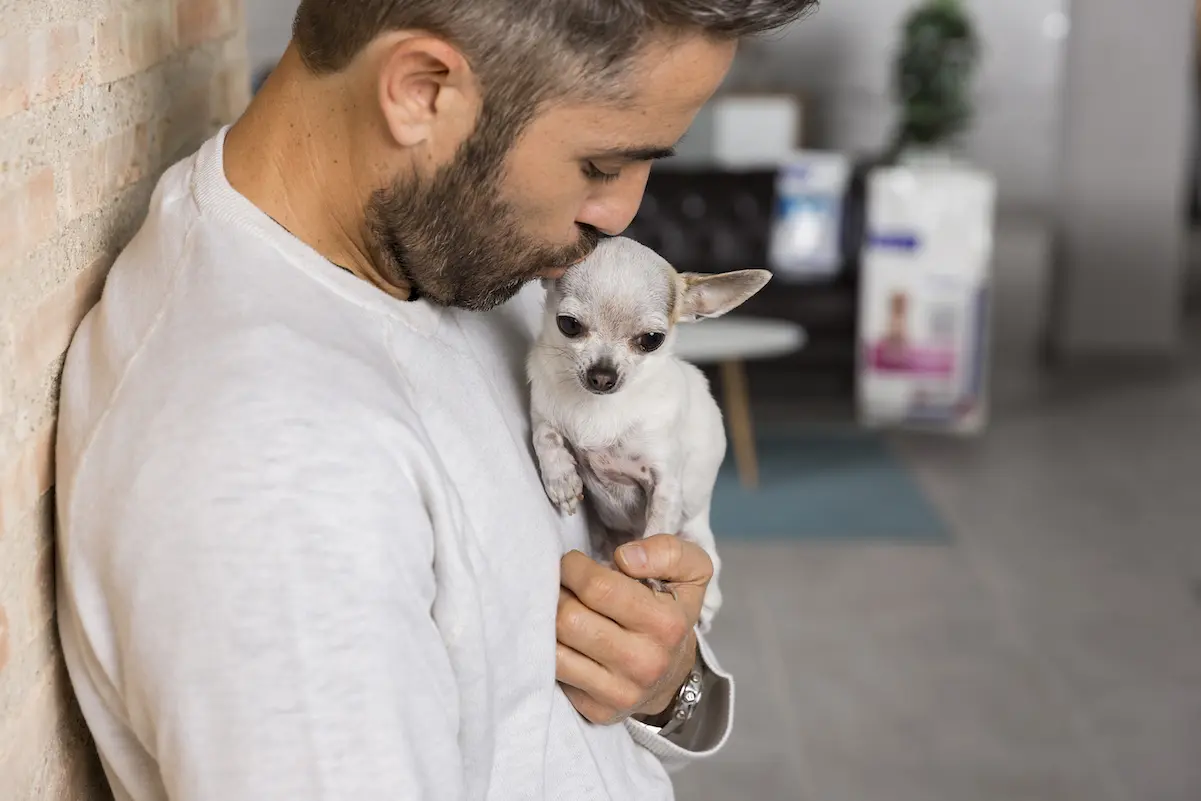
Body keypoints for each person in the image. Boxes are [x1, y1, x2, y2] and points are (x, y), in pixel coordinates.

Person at [54, 2, 814, 799]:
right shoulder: (273, 469)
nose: (619, 218)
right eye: (599, 165)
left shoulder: (483, 264)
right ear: (420, 90)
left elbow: (580, 712)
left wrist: (672, 689)